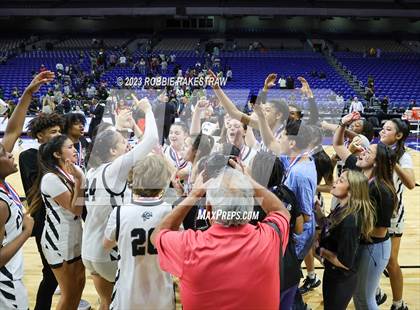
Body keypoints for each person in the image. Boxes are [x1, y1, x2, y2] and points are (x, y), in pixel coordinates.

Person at [151, 168, 290, 309]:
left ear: (209, 210)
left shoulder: (188, 246)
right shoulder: (270, 239)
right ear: (250, 209)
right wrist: (250, 182)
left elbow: (158, 235)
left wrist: (194, 194)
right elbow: (280, 211)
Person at [82, 95, 158, 310]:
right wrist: (148, 110)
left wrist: (118, 127)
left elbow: (108, 141)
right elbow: (151, 139)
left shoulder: (93, 170)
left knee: (106, 303)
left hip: (90, 250)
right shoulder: (114, 169)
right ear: (113, 151)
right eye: (123, 142)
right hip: (108, 251)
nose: (128, 143)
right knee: (128, 303)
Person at [333, 112, 399, 310]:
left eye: (367, 153)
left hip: (373, 247)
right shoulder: (359, 167)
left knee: (364, 299)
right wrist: (342, 124)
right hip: (361, 243)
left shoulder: (383, 191)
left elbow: (378, 231)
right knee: (359, 296)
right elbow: (337, 145)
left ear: (376, 163)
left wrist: (347, 227)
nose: (360, 153)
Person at [0, 71, 52, 309]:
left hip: (12, 277)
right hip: (5, 284)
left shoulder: (2, 183)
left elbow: (12, 131)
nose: (10, 152)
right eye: (3, 153)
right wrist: (24, 233)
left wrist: (28, 94)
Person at [104, 154, 175, 309]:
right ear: (163, 180)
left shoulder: (119, 212)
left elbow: (106, 244)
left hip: (128, 289)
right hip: (161, 290)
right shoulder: (171, 211)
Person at [28, 135, 86, 310]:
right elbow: (76, 209)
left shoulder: (70, 172)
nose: (74, 149)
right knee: (68, 294)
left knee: (78, 289)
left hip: (75, 234)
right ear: (57, 154)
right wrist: (80, 181)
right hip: (58, 240)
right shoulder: (50, 179)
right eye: (69, 147)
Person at [19, 113, 63, 310]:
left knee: (65, 274)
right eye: (53, 132)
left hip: (65, 219)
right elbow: (38, 187)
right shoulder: (27, 157)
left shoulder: (60, 157)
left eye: (60, 131)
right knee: (50, 273)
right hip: (44, 221)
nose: (58, 135)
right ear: (39, 136)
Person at [318, 170, 376, 310]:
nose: (336, 181)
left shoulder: (350, 221)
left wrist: (321, 251)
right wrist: (316, 210)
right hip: (333, 273)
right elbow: (329, 226)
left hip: (341, 280)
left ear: (351, 190)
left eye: (341, 180)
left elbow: (345, 262)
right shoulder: (342, 207)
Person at [376, 119, 415, 310]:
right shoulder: (377, 149)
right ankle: (376, 293)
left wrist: (394, 162)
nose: (383, 131)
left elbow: (410, 183)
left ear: (398, 136)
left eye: (388, 129)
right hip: (374, 212)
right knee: (371, 255)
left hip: (393, 214)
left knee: (391, 261)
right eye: (383, 128)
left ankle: (398, 303)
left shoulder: (403, 157)